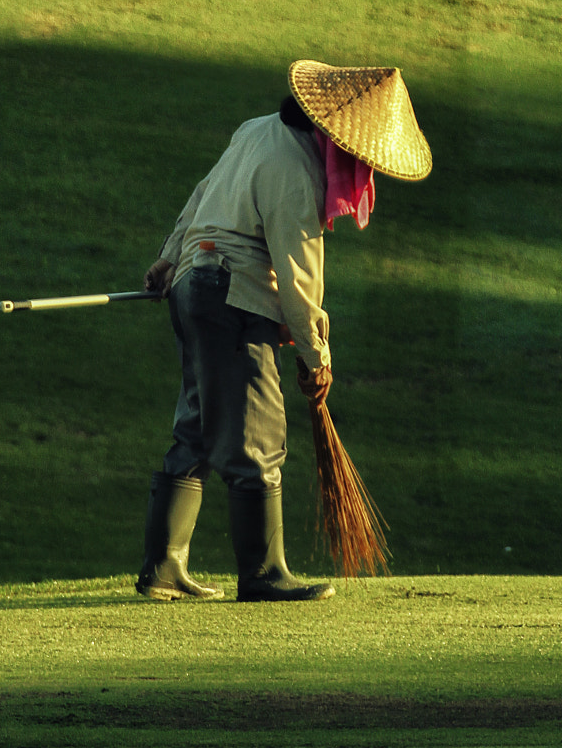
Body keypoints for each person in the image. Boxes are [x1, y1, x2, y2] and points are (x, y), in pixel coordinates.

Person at [136, 60, 431, 604]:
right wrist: (316, 356)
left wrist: (168, 257)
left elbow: (203, 194)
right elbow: (297, 273)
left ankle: (164, 567)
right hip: (231, 295)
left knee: (199, 426)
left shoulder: (254, 130)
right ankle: (264, 573)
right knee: (258, 434)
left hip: (193, 285)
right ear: (332, 134)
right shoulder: (295, 169)